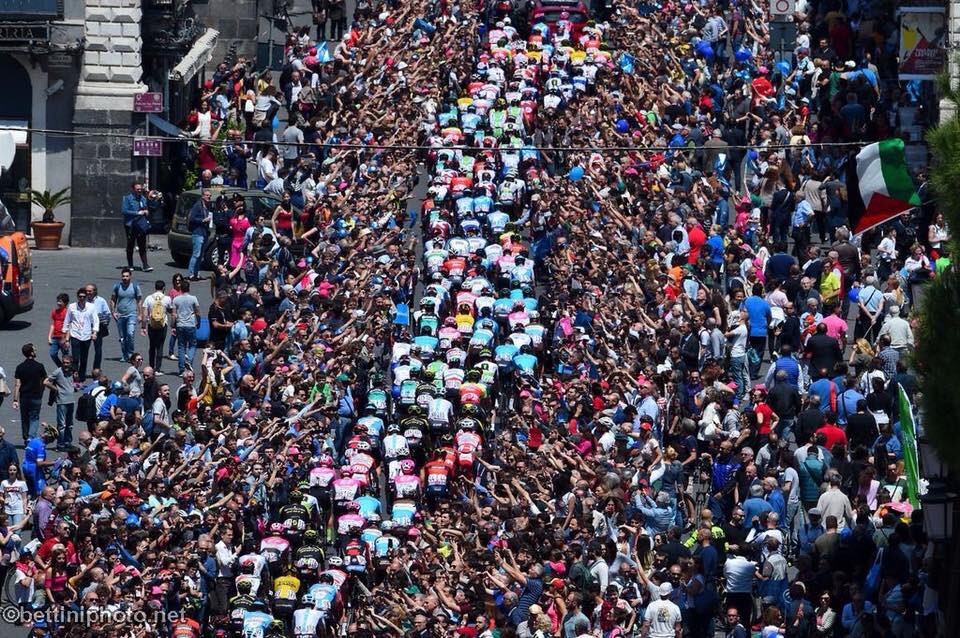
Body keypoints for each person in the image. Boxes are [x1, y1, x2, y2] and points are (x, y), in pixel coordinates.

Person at [12, 343, 46, 443]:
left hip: (24, 397)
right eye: (34, 350)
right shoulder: (39, 366)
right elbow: (45, 381)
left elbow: (17, 384)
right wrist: (41, 391)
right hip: (36, 396)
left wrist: (15, 400)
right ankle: (31, 438)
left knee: (25, 418)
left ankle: (26, 437)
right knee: (34, 418)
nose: (36, 351)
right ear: (31, 353)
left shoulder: (20, 367)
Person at [42, 355, 76, 451]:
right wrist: (55, 389)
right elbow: (45, 382)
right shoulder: (58, 371)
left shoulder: (71, 371)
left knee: (70, 424)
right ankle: (60, 444)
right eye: (64, 362)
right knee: (62, 425)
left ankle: (68, 442)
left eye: (67, 363)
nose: (65, 364)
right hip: (62, 401)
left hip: (71, 400)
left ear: (71, 363)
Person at [111, 267, 143, 363]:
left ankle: (130, 354)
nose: (125, 278)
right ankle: (124, 355)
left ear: (130, 277)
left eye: (127, 276)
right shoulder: (117, 287)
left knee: (130, 333)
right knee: (122, 337)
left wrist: (140, 314)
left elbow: (139, 301)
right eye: (123, 276)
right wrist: (113, 312)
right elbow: (113, 299)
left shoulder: (135, 287)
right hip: (120, 315)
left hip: (131, 314)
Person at [120, 181, 152, 272]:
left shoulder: (143, 198)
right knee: (130, 245)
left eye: (140, 189)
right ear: (133, 189)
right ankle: (130, 265)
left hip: (141, 224)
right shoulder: (127, 198)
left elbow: (145, 208)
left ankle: (145, 265)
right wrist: (137, 213)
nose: (139, 190)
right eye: (137, 189)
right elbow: (124, 211)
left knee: (142, 245)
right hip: (130, 225)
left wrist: (146, 211)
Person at [171, 279, 201, 373]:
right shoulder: (193, 298)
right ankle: (189, 360)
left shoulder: (176, 299)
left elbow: (174, 314)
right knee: (192, 345)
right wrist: (198, 322)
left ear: (181, 288)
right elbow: (197, 312)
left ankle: (181, 368)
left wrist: (173, 325)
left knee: (181, 346)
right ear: (189, 288)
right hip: (190, 324)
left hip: (180, 324)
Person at [141, 280, 171, 373]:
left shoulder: (149, 298)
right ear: (164, 288)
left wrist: (143, 327)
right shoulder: (167, 299)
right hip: (163, 325)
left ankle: (151, 366)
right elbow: (171, 310)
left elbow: (145, 314)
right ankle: (158, 369)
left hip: (152, 324)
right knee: (160, 346)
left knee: (152, 346)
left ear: (155, 287)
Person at [84, 283, 111, 372]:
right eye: (86, 291)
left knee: (98, 349)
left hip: (98, 327)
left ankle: (96, 369)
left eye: (90, 291)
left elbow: (107, 314)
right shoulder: (83, 301)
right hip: (86, 327)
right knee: (84, 350)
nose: (88, 293)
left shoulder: (101, 301)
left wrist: (104, 323)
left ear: (95, 291)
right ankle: (82, 370)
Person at [188, 189, 213, 281]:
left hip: (204, 232)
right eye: (207, 195)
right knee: (196, 254)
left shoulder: (206, 206)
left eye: (210, 196)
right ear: (202, 196)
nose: (208, 197)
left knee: (201, 255)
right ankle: (191, 274)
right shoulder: (197, 206)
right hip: (198, 233)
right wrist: (203, 220)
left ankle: (197, 274)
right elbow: (192, 218)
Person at [46, 293, 69, 368]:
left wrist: (66, 339)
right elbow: (53, 325)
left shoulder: (67, 312)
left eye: (60, 301)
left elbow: (70, 326)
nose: (58, 303)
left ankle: (67, 369)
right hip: (55, 337)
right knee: (52, 353)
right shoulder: (54, 312)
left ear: (65, 303)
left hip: (63, 337)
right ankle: (61, 367)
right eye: (58, 301)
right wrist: (49, 337)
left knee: (65, 356)